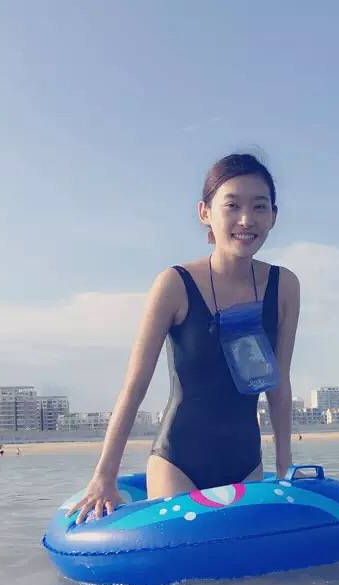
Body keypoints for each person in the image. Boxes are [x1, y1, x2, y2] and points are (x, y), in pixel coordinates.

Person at [68, 152, 300, 525]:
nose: (246, 219)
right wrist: (104, 476)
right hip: (178, 462)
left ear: (273, 215)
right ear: (205, 212)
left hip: (246, 463)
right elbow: (134, 386)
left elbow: (279, 385)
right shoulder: (174, 285)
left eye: (259, 206)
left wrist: (286, 469)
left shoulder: (284, 286)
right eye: (232, 205)